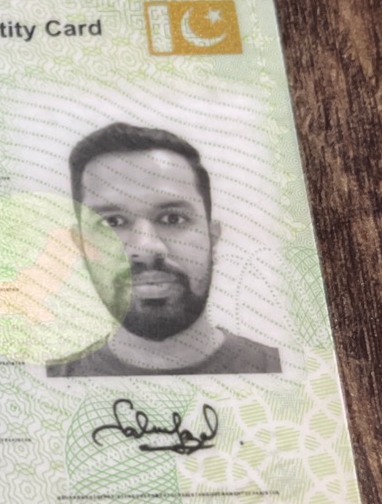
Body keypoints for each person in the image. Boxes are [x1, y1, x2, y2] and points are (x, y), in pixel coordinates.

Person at [47, 122, 281, 376]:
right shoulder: (45, 382)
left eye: (172, 219)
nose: (147, 248)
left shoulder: (288, 371)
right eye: (111, 222)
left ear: (212, 238)